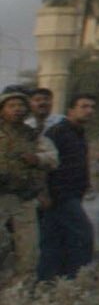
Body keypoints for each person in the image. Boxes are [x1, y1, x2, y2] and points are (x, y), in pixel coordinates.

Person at [0, 86, 56, 281]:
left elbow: (53, 158)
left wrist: (37, 159)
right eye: (11, 105)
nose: (17, 109)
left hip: (23, 198)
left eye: (21, 105)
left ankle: (22, 290)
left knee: (29, 249)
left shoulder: (33, 135)